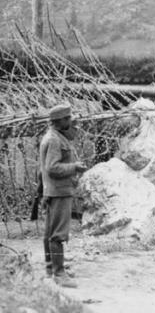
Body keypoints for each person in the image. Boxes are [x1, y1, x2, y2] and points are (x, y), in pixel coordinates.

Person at [40, 104, 87, 288]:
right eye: (67, 118)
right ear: (59, 121)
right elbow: (52, 168)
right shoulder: (54, 140)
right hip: (59, 191)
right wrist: (74, 167)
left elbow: (43, 169)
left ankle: (51, 268)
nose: (70, 121)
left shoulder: (54, 136)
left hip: (54, 190)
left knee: (50, 232)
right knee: (58, 234)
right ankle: (59, 274)